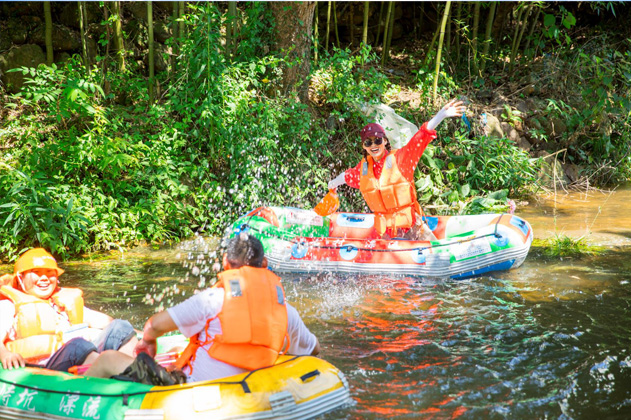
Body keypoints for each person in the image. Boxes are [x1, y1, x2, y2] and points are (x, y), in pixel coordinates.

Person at [84, 234, 320, 385]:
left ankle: (70, 398)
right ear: (264, 265)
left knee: (107, 359)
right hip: (248, 389)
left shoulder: (214, 298)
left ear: (225, 263)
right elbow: (313, 349)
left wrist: (149, 342)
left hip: (193, 391)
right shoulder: (284, 311)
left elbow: (153, 325)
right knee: (179, 346)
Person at [327, 99, 466, 240]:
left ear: (385, 141)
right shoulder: (363, 169)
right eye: (368, 142)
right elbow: (347, 176)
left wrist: (440, 116)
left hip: (413, 229)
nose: (373, 145)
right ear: (364, 146)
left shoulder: (401, 159)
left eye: (378, 140)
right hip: (386, 234)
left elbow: (420, 138)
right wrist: (332, 184)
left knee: (435, 253)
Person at [0, 248, 137, 371]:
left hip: (82, 358)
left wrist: (137, 332)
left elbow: (104, 322)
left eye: (49, 273)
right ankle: (124, 374)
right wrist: (5, 354)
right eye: (36, 273)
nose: (44, 278)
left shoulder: (62, 302)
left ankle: (131, 370)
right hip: (47, 368)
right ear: (20, 278)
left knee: (120, 326)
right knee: (77, 346)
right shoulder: (9, 305)